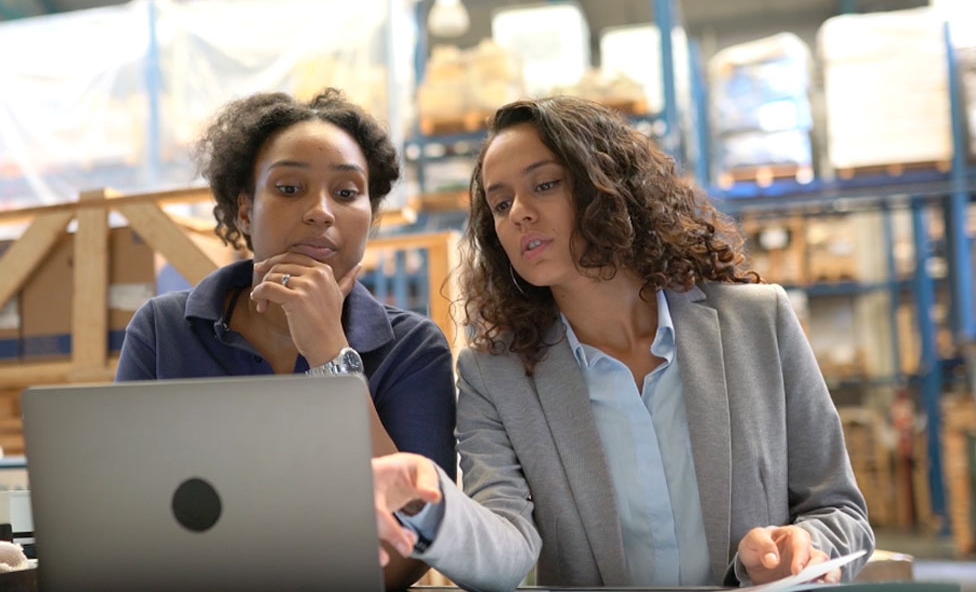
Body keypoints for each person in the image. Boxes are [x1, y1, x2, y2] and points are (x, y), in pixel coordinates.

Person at [371, 97, 873, 591]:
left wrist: (800, 547)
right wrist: (433, 501)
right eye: (501, 204)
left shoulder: (758, 323)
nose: (519, 213)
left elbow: (838, 509)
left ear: (606, 189)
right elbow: (506, 553)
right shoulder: (493, 376)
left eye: (544, 185)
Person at [115, 89, 457, 589]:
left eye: (346, 193)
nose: (321, 212)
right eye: (290, 188)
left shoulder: (413, 348)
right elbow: (124, 517)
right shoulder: (162, 331)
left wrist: (330, 355)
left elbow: (411, 547)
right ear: (244, 211)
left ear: (370, 216)